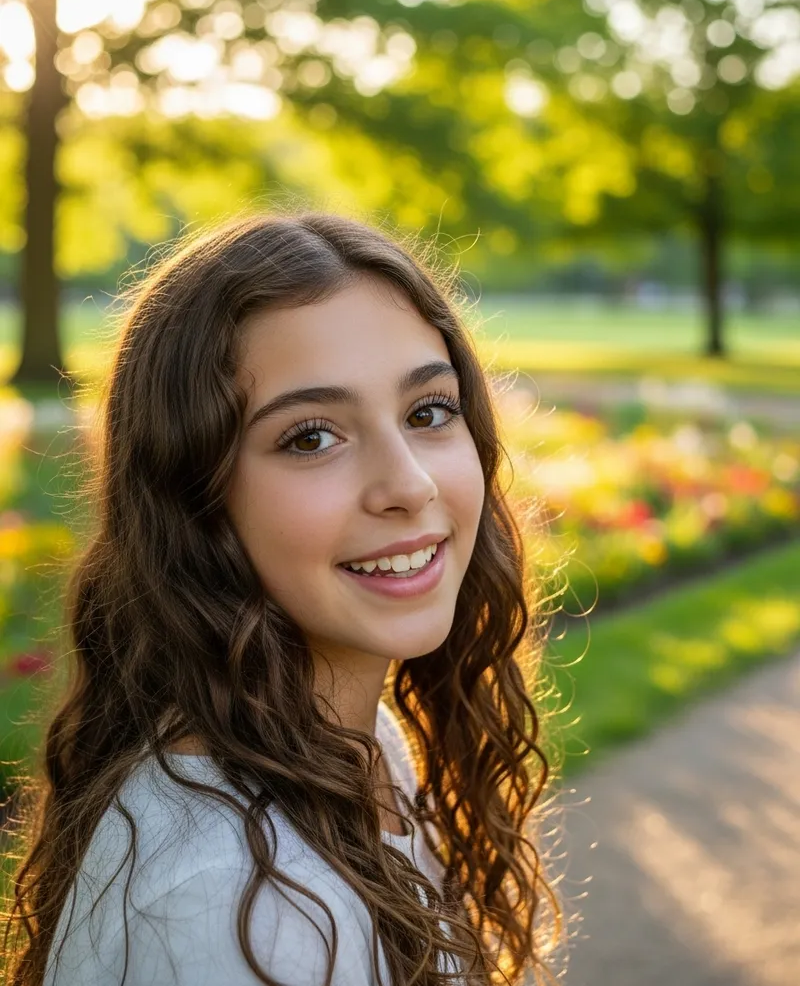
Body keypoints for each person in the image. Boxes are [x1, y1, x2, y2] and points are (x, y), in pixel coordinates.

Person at [2, 213, 563, 986]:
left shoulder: (365, 747)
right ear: (193, 502)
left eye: (428, 411)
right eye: (310, 437)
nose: (409, 484)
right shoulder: (231, 908)